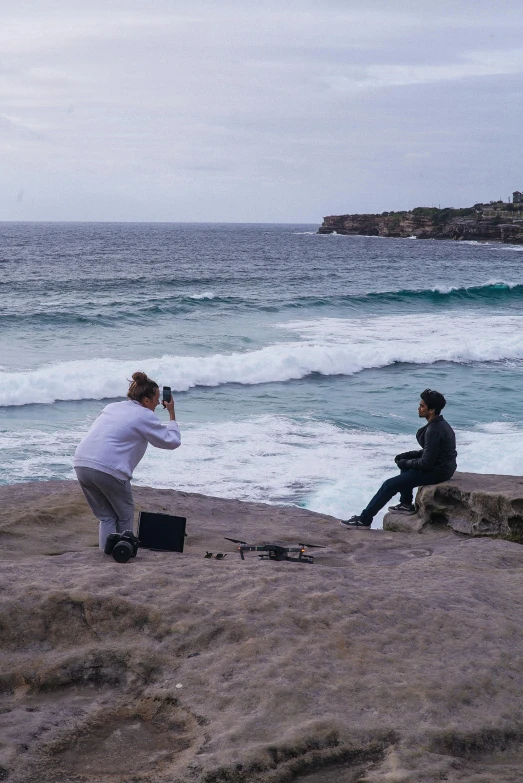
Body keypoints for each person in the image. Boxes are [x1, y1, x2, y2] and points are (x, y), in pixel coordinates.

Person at [74, 371, 181, 549]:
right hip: (109, 468)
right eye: (156, 399)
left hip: (82, 463)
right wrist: (171, 413)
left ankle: (107, 554)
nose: (157, 403)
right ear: (146, 400)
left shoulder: (112, 407)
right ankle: (123, 551)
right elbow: (172, 441)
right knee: (125, 514)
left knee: (107, 516)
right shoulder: (144, 415)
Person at [341, 389, 457, 529]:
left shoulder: (434, 430)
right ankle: (406, 504)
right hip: (445, 467)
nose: (418, 408)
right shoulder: (440, 424)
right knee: (405, 465)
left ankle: (364, 520)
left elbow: (426, 463)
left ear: (431, 410)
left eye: (422, 406)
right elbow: (431, 451)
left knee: (389, 485)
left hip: (439, 471)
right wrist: (407, 456)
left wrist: (405, 462)